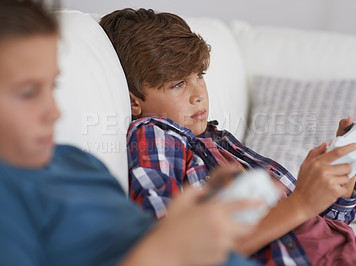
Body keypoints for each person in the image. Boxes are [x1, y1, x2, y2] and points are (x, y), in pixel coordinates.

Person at [100, 8, 356, 265]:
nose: (198, 95)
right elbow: (173, 250)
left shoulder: (217, 140)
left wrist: (344, 176)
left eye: (199, 75)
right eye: (178, 83)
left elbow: (317, 226)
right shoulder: (155, 133)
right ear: (134, 102)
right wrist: (301, 205)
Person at [0, 1, 264, 265]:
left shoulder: (80, 163)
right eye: (28, 92)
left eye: (52, 86)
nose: (55, 112)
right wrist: (168, 247)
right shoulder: (10, 195)